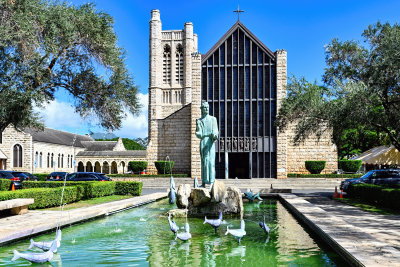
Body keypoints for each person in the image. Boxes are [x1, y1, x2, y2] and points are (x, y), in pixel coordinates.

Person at [195, 101, 219, 187]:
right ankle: (204, 182)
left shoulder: (213, 119)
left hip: (211, 141)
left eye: (207, 107)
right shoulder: (199, 120)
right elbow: (199, 133)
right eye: (204, 107)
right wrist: (197, 131)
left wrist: (215, 135)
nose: (206, 109)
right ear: (201, 109)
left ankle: (212, 183)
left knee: (211, 162)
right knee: (204, 162)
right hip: (203, 141)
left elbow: (216, 130)